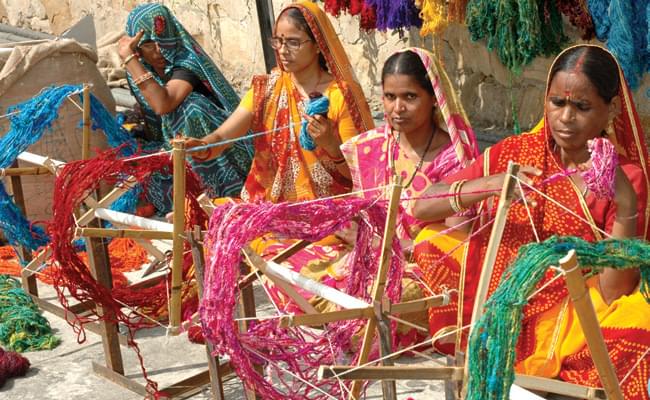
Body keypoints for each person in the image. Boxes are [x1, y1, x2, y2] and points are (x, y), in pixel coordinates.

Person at [412, 44, 650, 397]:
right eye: (557, 103)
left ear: (611, 109)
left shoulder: (626, 177)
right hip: (499, 296)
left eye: (581, 107)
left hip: (572, 309)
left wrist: (626, 202)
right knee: (431, 239)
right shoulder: (515, 153)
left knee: (638, 325)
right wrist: (490, 184)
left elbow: (613, 290)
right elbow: (421, 208)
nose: (566, 118)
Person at [334, 47, 479, 346]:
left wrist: (390, 245)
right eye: (390, 97)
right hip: (372, 259)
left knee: (372, 318)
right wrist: (355, 232)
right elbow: (358, 210)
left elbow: (454, 242)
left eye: (409, 97)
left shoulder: (454, 159)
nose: (397, 108)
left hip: (426, 271)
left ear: (433, 99)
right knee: (291, 273)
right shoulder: (373, 146)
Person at [185, 0, 373, 203]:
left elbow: (363, 176)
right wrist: (203, 145)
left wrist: (330, 145)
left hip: (326, 209)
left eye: (293, 42)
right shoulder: (268, 89)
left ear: (318, 44)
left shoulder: (340, 95)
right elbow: (224, 135)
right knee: (207, 214)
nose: (283, 50)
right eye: (278, 41)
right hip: (269, 205)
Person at [118, 3, 253, 213]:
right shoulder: (138, 69)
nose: (159, 49)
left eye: (163, 38)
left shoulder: (187, 61)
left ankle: (221, 194)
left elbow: (163, 103)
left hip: (224, 148)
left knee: (191, 108)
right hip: (180, 149)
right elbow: (154, 123)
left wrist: (128, 58)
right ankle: (192, 199)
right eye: (149, 43)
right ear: (138, 49)